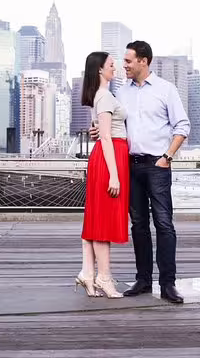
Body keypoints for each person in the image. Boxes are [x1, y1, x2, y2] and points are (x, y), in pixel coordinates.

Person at [91, 41, 190, 304]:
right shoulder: (121, 93)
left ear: (143, 61)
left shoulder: (166, 89)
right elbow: (111, 124)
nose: (124, 65)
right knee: (138, 225)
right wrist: (97, 132)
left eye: (128, 61)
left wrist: (167, 157)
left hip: (157, 165)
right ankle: (144, 280)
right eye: (122, 61)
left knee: (164, 224)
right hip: (129, 166)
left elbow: (182, 125)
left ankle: (168, 284)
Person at [76, 51, 130, 299]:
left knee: (96, 218)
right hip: (111, 156)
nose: (115, 69)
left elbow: (100, 132)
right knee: (105, 221)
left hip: (105, 156)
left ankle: (88, 272)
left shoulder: (99, 96)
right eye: (111, 65)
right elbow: (107, 136)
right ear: (100, 69)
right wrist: (115, 175)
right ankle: (104, 278)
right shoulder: (105, 96)